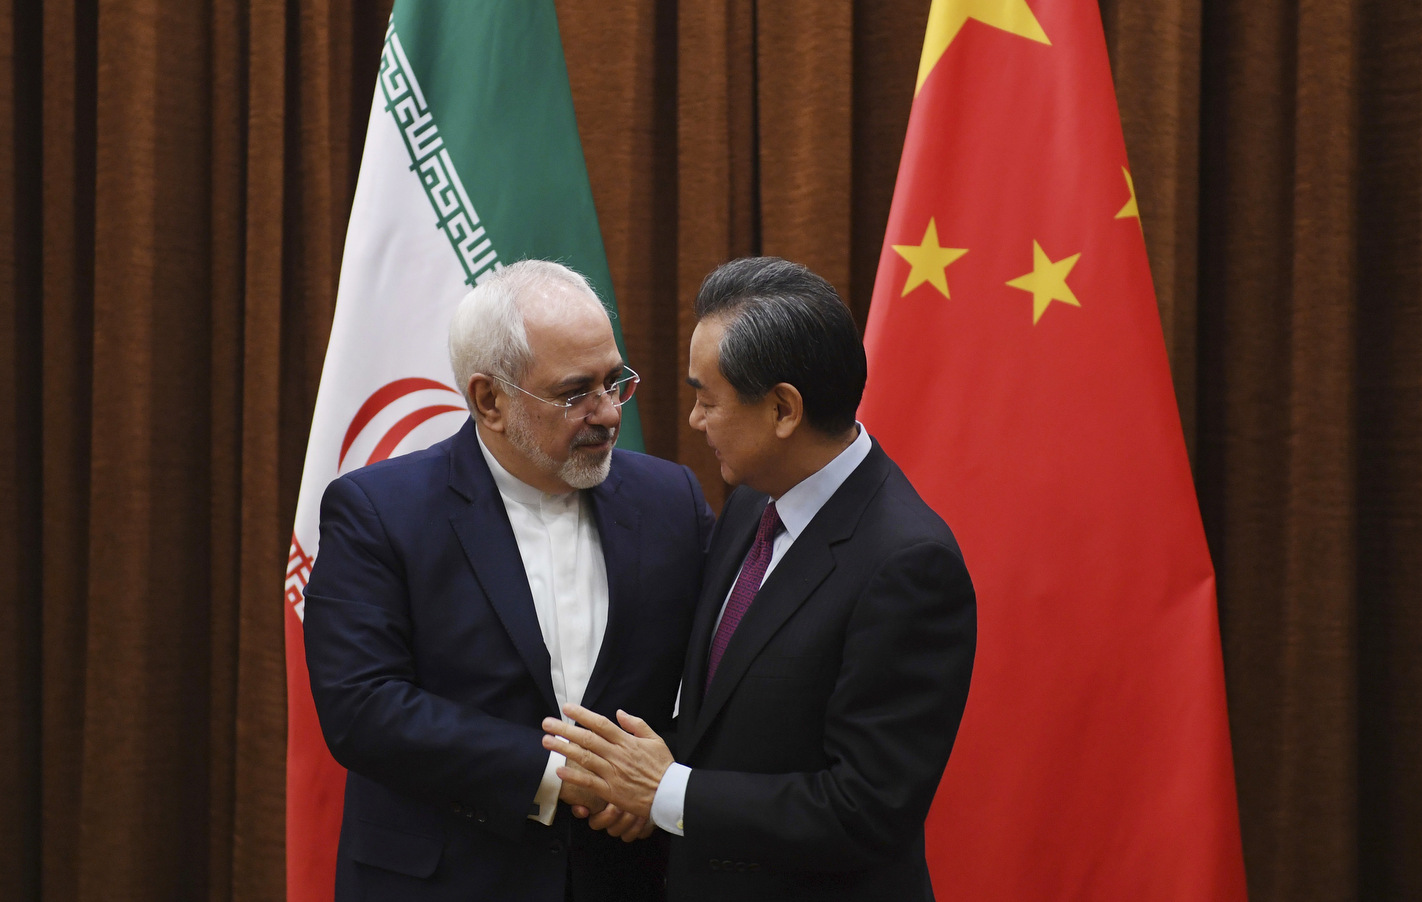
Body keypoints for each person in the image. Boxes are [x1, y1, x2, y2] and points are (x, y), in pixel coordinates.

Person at [541, 256, 977, 901]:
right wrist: (636, 781)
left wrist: (667, 792)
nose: (694, 421)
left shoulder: (908, 565)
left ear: (782, 409)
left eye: (707, 399)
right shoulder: (756, 498)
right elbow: (726, 712)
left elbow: (865, 810)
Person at [303, 260, 714, 901]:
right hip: (447, 878)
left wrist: (655, 778)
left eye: (615, 381)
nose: (608, 414)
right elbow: (362, 707)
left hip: (627, 876)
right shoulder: (380, 511)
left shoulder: (672, 499)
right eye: (576, 392)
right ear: (489, 400)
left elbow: (725, 670)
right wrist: (555, 775)